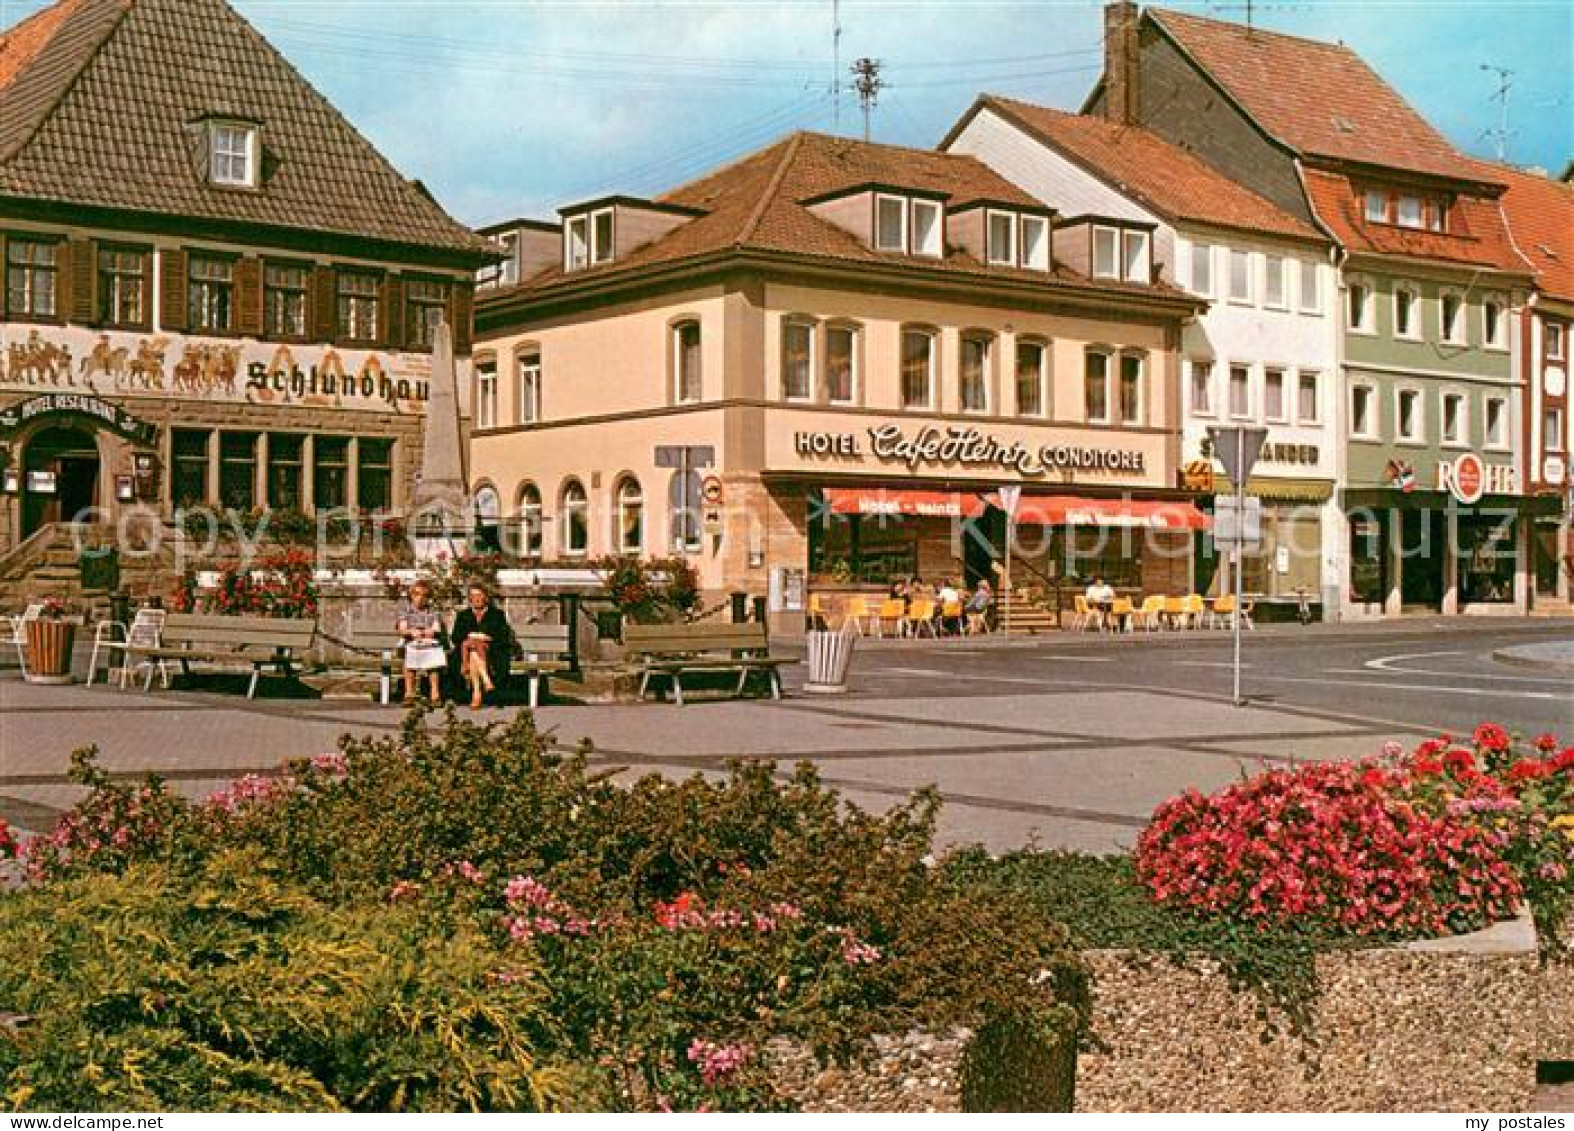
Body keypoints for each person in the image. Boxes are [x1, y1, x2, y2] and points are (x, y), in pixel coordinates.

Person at [448, 583, 513, 709]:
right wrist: (471, 637)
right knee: (473, 648)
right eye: (473, 596)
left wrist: (487, 638)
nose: (476, 598)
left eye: (480, 595)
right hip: (466, 650)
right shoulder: (463, 615)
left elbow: (503, 636)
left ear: (485, 597)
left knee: (475, 648)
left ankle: (476, 693)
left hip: (492, 651)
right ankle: (485, 681)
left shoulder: (497, 614)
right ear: (470, 599)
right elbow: (456, 637)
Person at [396, 579, 447, 703]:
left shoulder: (432, 610)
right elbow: (402, 629)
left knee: (433, 659)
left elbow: (436, 628)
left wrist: (428, 632)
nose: (420, 598)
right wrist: (412, 632)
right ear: (412, 596)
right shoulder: (405, 610)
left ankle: (435, 693)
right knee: (409, 657)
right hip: (410, 641)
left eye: (424, 595)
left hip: (428, 641)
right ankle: (409, 693)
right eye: (417, 594)